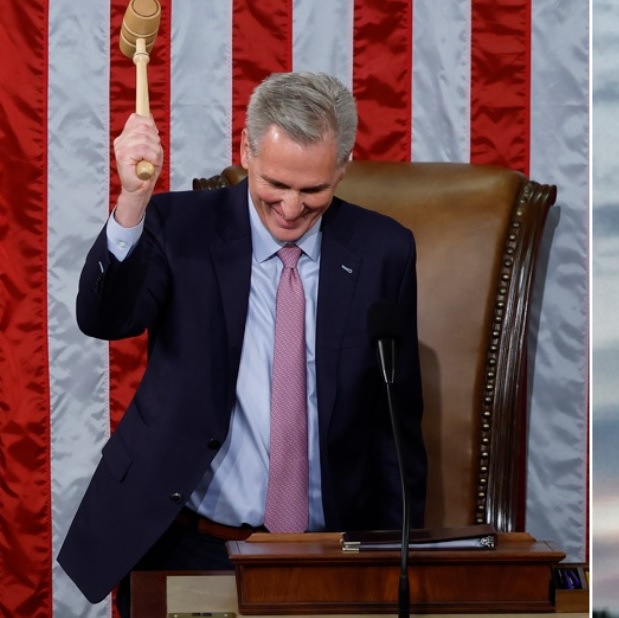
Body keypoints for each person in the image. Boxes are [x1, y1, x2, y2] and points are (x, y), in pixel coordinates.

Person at [58, 72, 426, 616]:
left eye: (313, 190)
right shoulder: (179, 227)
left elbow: (395, 426)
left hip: (331, 551)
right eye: (276, 183)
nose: (291, 207)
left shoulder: (384, 252)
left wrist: (404, 565)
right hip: (188, 542)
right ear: (246, 151)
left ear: (342, 167)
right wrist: (133, 201)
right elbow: (103, 317)